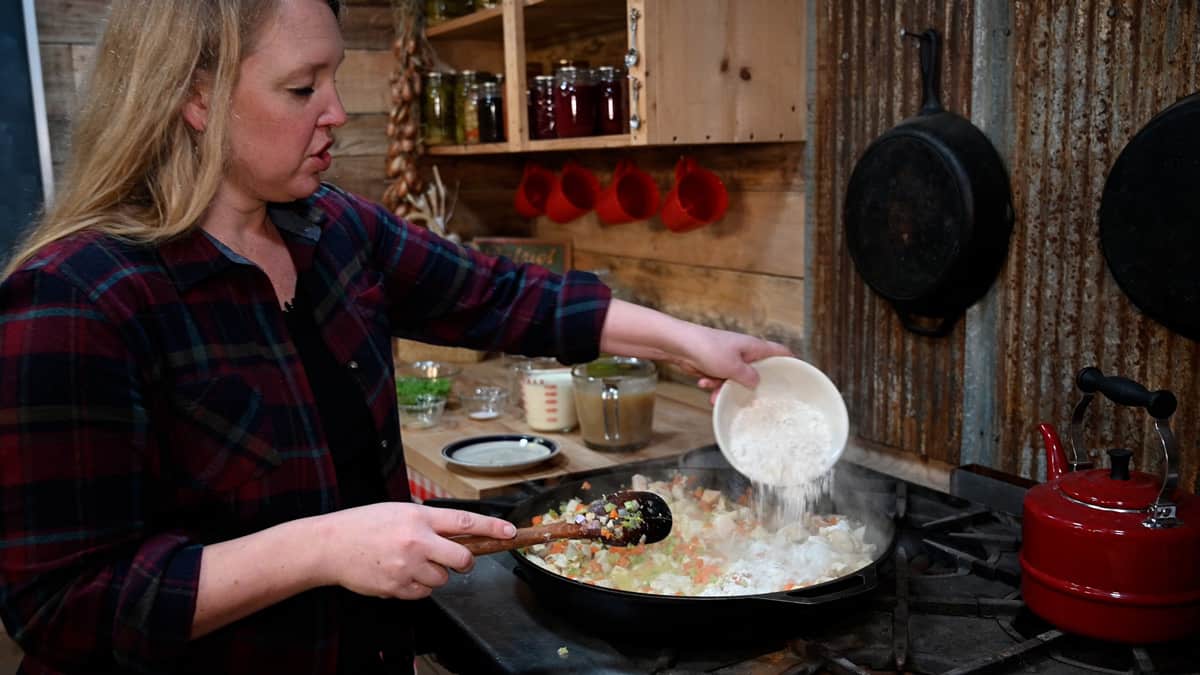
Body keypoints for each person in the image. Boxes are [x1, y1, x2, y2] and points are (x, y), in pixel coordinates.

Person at [0, 1, 790, 673]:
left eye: (334, 77)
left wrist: (692, 343)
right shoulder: (76, 299)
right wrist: (326, 547)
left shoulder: (336, 229)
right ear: (194, 97)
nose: (337, 110)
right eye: (302, 87)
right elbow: (63, 605)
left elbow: (507, 297)